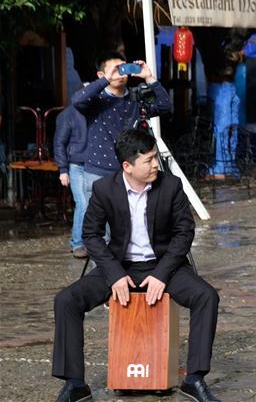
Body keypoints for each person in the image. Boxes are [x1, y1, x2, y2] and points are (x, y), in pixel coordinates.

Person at [52, 129, 220, 402]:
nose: (156, 164)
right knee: (66, 300)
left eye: (156, 157)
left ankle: (194, 378)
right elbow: (91, 235)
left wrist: (161, 275)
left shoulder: (171, 185)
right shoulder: (105, 189)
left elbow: (184, 234)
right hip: (120, 266)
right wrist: (115, 274)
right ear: (127, 166)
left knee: (207, 296)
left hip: (165, 264)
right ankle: (75, 384)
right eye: (149, 160)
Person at [72, 50, 172, 207]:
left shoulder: (136, 98)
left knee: (129, 229)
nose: (119, 74)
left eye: (122, 69)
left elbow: (164, 106)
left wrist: (149, 78)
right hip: (98, 174)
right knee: (99, 230)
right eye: (114, 70)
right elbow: (77, 100)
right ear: (100, 75)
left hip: (131, 174)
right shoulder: (96, 99)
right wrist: (106, 80)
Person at [53, 100, 89, 258]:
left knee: (97, 203)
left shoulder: (98, 109)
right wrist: (63, 169)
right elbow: (59, 143)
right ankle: (78, 243)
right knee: (83, 203)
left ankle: (94, 242)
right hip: (77, 165)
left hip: (95, 164)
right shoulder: (68, 114)